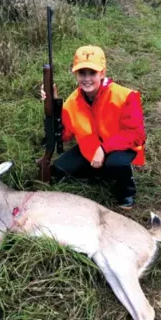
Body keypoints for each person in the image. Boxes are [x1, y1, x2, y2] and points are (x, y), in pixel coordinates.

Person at [41, 45, 146, 210]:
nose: (87, 78)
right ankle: (100, 171)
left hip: (119, 148)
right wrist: (53, 108)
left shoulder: (126, 96)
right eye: (82, 73)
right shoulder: (71, 102)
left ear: (102, 73)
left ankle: (127, 189)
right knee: (59, 170)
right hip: (89, 150)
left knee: (116, 164)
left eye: (93, 73)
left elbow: (137, 135)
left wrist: (104, 149)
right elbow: (64, 135)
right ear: (75, 74)